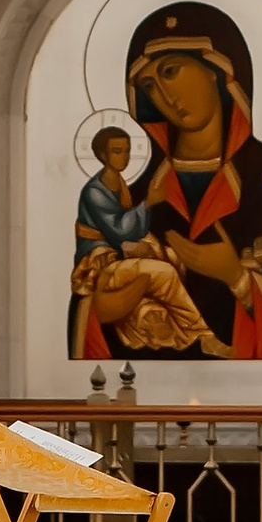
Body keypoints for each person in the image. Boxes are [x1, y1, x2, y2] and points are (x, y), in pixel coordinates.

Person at [73, 3, 262, 362]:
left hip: (249, 398)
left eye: (171, 72)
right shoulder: (140, 196)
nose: (165, 98)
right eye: (149, 86)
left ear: (217, 71)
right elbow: (92, 306)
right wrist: (103, 306)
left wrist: (236, 276)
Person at [69, 118, 209, 357]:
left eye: (127, 151)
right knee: (163, 273)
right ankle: (199, 333)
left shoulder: (117, 183)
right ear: (102, 155)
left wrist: (145, 244)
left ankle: (174, 330)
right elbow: (119, 230)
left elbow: (130, 231)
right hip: (99, 263)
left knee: (176, 257)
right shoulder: (94, 191)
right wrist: (148, 204)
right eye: (117, 151)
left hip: (116, 254)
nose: (124, 157)